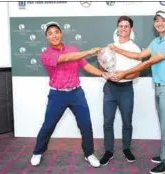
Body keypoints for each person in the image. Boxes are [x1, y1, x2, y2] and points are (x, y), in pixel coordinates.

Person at [109, 10, 165, 174]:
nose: (160, 23)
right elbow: (140, 55)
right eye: (157, 20)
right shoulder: (157, 41)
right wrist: (118, 49)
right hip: (160, 87)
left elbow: (147, 62)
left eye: (164, 20)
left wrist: (123, 74)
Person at [30, 21, 108, 168]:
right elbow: (65, 59)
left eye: (56, 31)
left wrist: (103, 73)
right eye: (50, 33)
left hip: (76, 93)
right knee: (48, 126)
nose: (54, 35)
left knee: (85, 125)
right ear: (46, 37)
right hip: (57, 95)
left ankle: (89, 153)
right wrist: (90, 51)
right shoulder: (46, 54)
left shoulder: (72, 48)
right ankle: (37, 152)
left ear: (61, 33)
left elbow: (86, 65)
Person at [99, 16, 141, 166]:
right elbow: (102, 65)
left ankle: (126, 148)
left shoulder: (135, 49)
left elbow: (137, 73)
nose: (123, 29)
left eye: (126, 26)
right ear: (117, 28)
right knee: (107, 122)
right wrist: (106, 73)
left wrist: (122, 75)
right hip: (110, 89)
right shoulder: (110, 47)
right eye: (121, 26)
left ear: (131, 29)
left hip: (126, 89)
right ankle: (109, 151)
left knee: (127, 122)